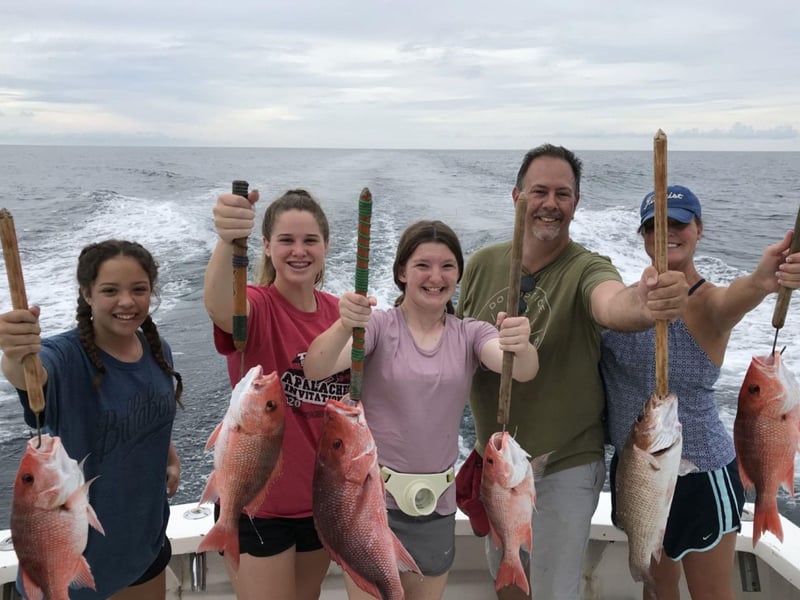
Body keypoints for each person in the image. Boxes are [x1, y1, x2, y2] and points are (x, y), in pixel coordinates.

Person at [455, 144, 690, 600]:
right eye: (538, 191)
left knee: (553, 590)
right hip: (496, 465)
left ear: (576, 204)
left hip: (565, 464)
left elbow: (613, 302)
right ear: (516, 196)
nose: (550, 203)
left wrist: (645, 301)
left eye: (563, 194)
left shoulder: (588, 267)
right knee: (506, 580)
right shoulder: (483, 265)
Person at [303, 219, 537, 600]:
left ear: (459, 273)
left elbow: (522, 370)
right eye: (422, 265)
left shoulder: (471, 334)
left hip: (436, 509)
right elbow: (316, 366)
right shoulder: (376, 328)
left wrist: (520, 345)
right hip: (370, 503)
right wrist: (346, 325)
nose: (435, 276)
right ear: (401, 273)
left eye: (447, 266)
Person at [601, 185, 800, 600]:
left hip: (701, 475)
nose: (667, 233)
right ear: (642, 235)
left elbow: (739, 295)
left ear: (699, 230)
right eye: (655, 226)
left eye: (679, 223)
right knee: (656, 588)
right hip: (638, 470)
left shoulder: (709, 304)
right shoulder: (621, 302)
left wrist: (765, 280)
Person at [0, 240, 183, 600]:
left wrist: (169, 455)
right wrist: (15, 352)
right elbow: (30, 375)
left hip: (144, 545)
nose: (127, 301)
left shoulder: (157, 350)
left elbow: (148, 413)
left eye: (139, 289)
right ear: (87, 293)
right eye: (110, 290)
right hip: (73, 559)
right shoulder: (66, 358)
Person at [204, 188, 349, 600]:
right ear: (266, 247)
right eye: (286, 240)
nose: (298, 251)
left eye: (310, 241)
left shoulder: (341, 315)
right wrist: (228, 239)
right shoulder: (256, 305)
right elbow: (220, 306)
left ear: (325, 246)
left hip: (320, 505)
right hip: (254, 506)